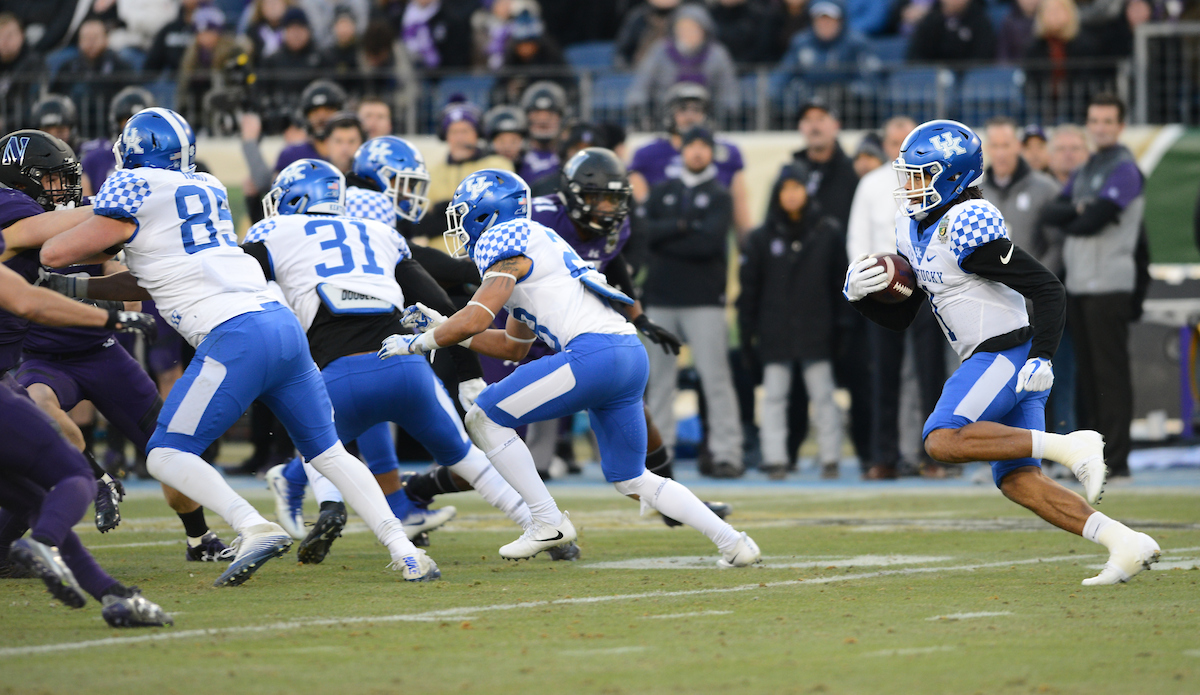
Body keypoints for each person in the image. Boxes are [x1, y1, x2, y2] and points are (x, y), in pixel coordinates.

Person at [38, 107, 440, 584]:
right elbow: (156, 278)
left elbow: (54, 252)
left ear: (134, 149)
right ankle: (405, 552)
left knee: (165, 455)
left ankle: (252, 525)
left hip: (235, 335)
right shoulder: (206, 188)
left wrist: (60, 239)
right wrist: (75, 289)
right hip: (281, 326)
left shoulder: (134, 185)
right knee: (329, 452)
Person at [382, 167, 761, 567]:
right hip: (628, 354)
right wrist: (445, 328)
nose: (460, 226)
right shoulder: (537, 244)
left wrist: (418, 342)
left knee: (483, 418)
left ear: (486, 214)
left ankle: (546, 520)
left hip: (594, 355)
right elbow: (511, 344)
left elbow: (476, 318)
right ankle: (735, 544)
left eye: (464, 214)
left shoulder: (505, 239)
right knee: (632, 478)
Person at [844, 118, 1159, 586]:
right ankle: (1125, 542)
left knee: (940, 439)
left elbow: (1049, 289)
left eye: (920, 174)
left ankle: (1071, 445)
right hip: (998, 359)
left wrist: (1043, 357)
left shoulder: (967, 223)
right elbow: (905, 315)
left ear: (952, 177)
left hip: (1006, 357)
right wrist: (861, 297)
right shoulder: (912, 227)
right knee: (1017, 480)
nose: (909, 186)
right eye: (907, 174)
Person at [245, 157, 548, 561]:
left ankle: (318, 495)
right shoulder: (379, 231)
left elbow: (243, 288)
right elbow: (437, 300)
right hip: (406, 366)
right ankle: (536, 522)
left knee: (325, 452)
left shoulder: (274, 231)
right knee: (466, 454)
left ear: (296, 199)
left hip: (336, 369)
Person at [3, 129, 229, 561]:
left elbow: (115, 262)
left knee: (168, 447)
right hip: (43, 358)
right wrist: (122, 202)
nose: (65, 188)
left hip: (102, 353)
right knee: (37, 413)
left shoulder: (76, 216)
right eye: (53, 179)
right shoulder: (18, 216)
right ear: (21, 179)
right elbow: (37, 240)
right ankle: (90, 481)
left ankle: (199, 538)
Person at [0, 256, 170, 626]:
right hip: (20, 376)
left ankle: (114, 596)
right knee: (74, 476)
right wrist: (113, 318)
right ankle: (44, 541)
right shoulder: (23, 235)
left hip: (87, 358)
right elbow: (29, 301)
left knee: (35, 498)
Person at [1039, 94, 1143, 481]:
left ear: (1120, 126)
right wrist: (1081, 210)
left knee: (1110, 375)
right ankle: (1094, 457)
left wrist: (1079, 212)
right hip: (1081, 285)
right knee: (1088, 378)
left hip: (1109, 285)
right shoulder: (1087, 170)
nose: (1100, 127)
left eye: (1107, 121)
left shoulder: (1125, 169)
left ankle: (1118, 458)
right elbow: (1054, 210)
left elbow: (1091, 221)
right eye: (1095, 120)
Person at [637, 127, 744, 478]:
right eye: (692, 146)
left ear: (711, 152)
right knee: (660, 383)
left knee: (716, 380)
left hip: (705, 300)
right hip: (661, 297)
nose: (697, 153)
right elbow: (645, 234)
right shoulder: (663, 191)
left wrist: (670, 233)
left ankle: (727, 453)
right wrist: (685, 225)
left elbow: (709, 245)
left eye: (704, 146)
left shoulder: (719, 195)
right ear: (682, 150)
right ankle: (659, 455)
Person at [846, 115, 946, 480]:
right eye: (894, 140)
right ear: (886, 145)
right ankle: (883, 456)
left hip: (928, 287)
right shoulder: (870, 185)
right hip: (882, 291)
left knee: (930, 374)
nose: (901, 147)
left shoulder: (935, 185)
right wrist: (864, 285)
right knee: (882, 375)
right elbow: (856, 240)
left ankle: (933, 454)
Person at [739, 161, 847, 480]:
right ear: (777, 193)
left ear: (806, 191)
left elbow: (839, 283)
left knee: (823, 397)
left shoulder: (827, 232)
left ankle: (830, 458)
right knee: (773, 397)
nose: (790, 195)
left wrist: (842, 328)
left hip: (817, 329)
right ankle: (775, 458)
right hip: (776, 332)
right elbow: (750, 289)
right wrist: (748, 334)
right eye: (785, 188)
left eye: (796, 188)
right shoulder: (761, 237)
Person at [789, 98, 872, 471]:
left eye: (820, 118)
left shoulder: (853, 178)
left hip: (849, 298)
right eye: (807, 120)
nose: (813, 126)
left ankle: (871, 455)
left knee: (860, 377)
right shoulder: (791, 171)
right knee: (793, 384)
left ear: (836, 125)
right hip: (801, 300)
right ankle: (786, 455)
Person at [627, 82, 751, 239]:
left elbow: (741, 210)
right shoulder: (648, 154)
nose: (690, 116)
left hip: (710, 241)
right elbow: (642, 216)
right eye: (683, 108)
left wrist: (746, 248)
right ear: (669, 114)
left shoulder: (727, 153)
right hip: (664, 243)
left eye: (697, 109)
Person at [419, 98, 514, 241]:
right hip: (441, 257)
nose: (459, 138)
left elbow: (502, 211)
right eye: (454, 132)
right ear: (446, 136)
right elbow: (422, 224)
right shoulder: (432, 173)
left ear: (477, 134)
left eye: (465, 131)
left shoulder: (498, 165)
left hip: (486, 252)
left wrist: (444, 211)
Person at [626, 5, 738, 125]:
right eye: (683, 28)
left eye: (693, 28)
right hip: (663, 114)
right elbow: (643, 82)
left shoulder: (717, 53)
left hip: (708, 115)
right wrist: (637, 107)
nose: (687, 33)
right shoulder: (660, 50)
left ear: (704, 30)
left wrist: (728, 111)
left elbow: (727, 87)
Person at [980, 117, 1063, 271]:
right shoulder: (976, 191)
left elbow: (1056, 244)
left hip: (1029, 291)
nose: (1000, 153)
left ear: (1017, 146)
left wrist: (1038, 284)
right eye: (995, 146)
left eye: (1005, 145)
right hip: (987, 291)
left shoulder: (1045, 188)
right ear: (987, 148)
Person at [50, 18, 133, 140]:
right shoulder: (67, 68)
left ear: (106, 39)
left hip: (110, 130)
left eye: (95, 37)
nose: (90, 42)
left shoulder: (121, 67)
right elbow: (55, 98)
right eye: (86, 38)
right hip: (76, 129)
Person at [776, 0, 880, 88]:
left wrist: (849, 92)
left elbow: (871, 82)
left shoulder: (857, 43)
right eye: (820, 19)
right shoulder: (801, 42)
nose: (825, 24)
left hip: (849, 107)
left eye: (830, 19)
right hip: (809, 106)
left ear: (841, 21)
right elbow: (782, 76)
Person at [261, 8, 329, 107]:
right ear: (284, 32)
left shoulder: (322, 57)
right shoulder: (272, 60)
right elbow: (263, 92)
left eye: (300, 29)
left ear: (308, 30)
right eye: (292, 29)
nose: (296, 34)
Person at [906, 0, 997, 63]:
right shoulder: (930, 21)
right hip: (934, 78)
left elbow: (983, 58)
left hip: (969, 80)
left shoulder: (981, 21)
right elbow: (916, 56)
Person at [516, 81, 568, 186]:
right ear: (527, 117)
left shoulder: (570, 157)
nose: (543, 120)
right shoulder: (515, 157)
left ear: (561, 118)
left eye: (550, 114)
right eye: (537, 113)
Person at [614, 0, 681, 68]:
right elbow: (622, 53)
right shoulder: (638, 17)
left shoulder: (686, 17)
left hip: (677, 70)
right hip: (639, 69)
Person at [483, 105, 527, 170]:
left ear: (523, 143)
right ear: (491, 143)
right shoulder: (481, 171)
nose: (507, 147)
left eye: (513, 141)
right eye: (501, 141)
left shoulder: (533, 170)